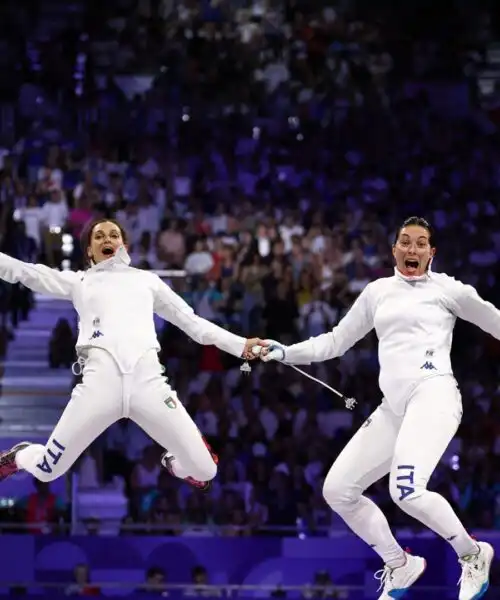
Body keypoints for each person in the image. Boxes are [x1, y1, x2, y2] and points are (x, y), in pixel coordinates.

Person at [256, 217, 495, 600]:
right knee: (337, 490)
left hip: (435, 395)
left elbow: (495, 321)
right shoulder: (377, 292)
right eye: (405, 242)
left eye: (421, 244)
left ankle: (472, 553)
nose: (412, 249)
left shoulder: (449, 290)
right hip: (393, 408)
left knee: (405, 490)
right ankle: (399, 563)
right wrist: (285, 352)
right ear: (394, 249)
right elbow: (335, 341)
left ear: (432, 252)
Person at [0, 218, 265, 491]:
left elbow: (194, 324)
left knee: (205, 469)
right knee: (46, 470)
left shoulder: (147, 281)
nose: (107, 240)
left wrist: (241, 345)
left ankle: (173, 462)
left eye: (113, 235)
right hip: (98, 388)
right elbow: (25, 272)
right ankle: (20, 455)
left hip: (148, 385)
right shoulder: (79, 281)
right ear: (89, 250)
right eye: (99, 236)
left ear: (123, 244)